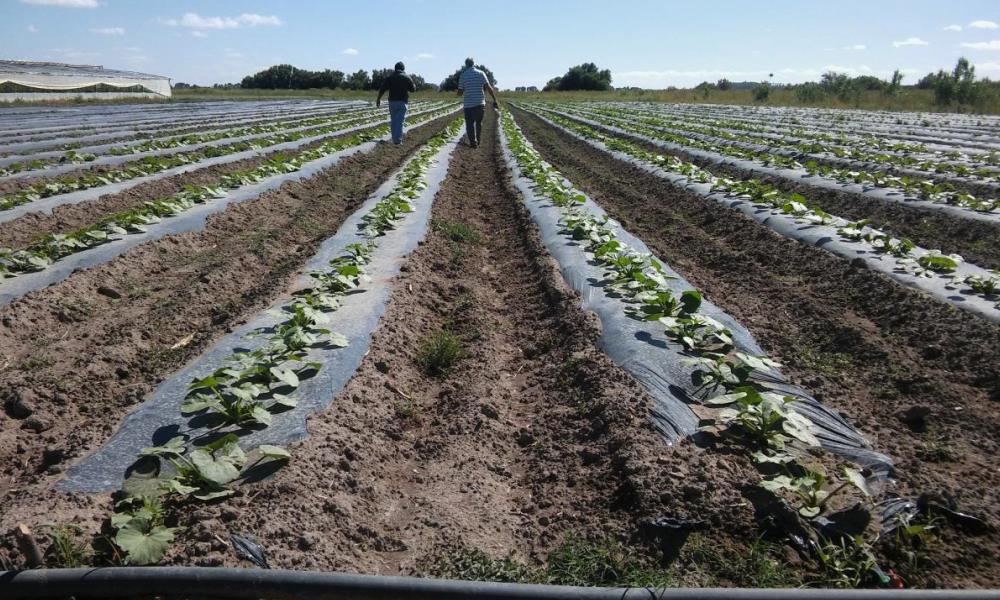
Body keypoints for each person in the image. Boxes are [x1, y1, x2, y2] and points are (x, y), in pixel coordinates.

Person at [457, 58, 499, 148]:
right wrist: (495, 99)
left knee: (469, 124)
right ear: (473, 64)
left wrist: (458, 92)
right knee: (479, 122)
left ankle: (473, 143)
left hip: (468, 104)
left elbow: (460, 93)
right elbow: (488, 87)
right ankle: (478, 140)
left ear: (466, 64)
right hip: (480, 103)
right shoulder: (481, 73)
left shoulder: (463, 75)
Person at [376, 61, 417, 145]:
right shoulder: (407, 77)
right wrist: (413, 84)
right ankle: (397, 141)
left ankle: (395, 139)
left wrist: (378, 99)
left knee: (394, 120)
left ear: (395, 68)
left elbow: (382, 89)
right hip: (402, 102)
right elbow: (413, 89)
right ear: (403, 68)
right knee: (400, 121)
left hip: (392, 102)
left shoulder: (390, 77)